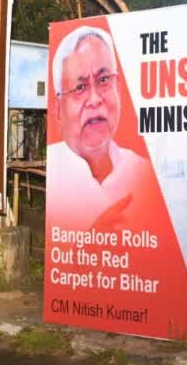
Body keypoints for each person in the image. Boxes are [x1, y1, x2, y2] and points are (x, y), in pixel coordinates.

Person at [48, 26, 149, 229]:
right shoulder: (54, 172)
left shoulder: (143, 173)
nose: (94, 100)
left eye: (103, 80)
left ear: (118, 88)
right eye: (80, 87)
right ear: (58, 108)